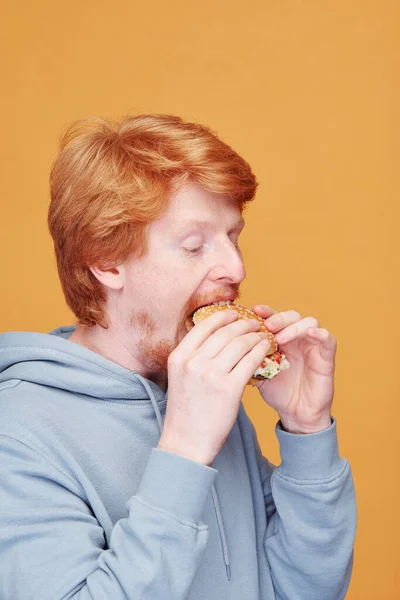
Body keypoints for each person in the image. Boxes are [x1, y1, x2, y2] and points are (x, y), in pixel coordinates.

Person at [0, 114, 356, 599]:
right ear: (105, 261)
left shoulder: (200, 390)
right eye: (194, 246)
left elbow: (305, 590)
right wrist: (184, 452)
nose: (236, 267)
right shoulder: (17, 434)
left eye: (233, 236)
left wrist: (307, 430)